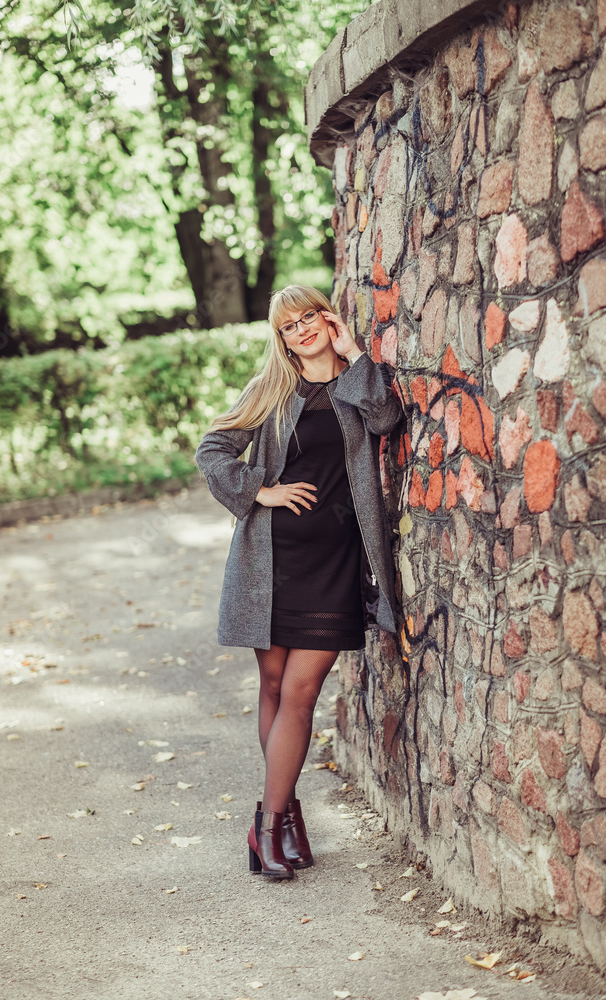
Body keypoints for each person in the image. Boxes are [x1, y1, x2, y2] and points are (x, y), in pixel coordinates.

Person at [195, 285, 401, 880]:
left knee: (302, 691)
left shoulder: (356, 381)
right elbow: (213, 451)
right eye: (290, 326)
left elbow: (388, 417)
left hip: (336, 561)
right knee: (275, 685)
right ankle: (280, 822)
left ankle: (268, 823)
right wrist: (262, 490)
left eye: (310, 317)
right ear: (280, 338)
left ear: (326, 320)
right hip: (273, 560)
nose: (302, 330)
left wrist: (353, 352)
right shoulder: (272, 390)